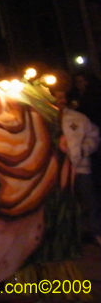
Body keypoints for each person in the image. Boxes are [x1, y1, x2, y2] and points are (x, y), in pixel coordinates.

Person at [54, 90, 101, 247]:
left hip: (80, 168)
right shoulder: (43, 118)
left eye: (62, 96)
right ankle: (67, 237)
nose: (60, 100)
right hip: (57, 172)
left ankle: (96, 232)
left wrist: (83, 150)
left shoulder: (76, 117)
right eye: (56, 97)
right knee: (64, 204)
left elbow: (93, 136)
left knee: (90, 201)